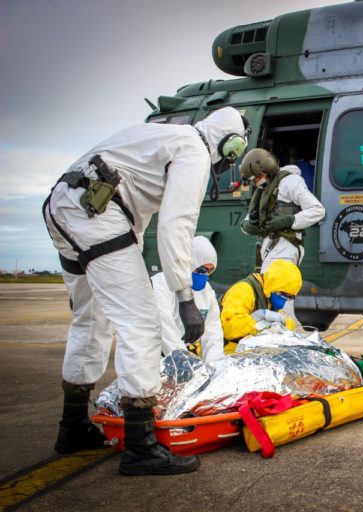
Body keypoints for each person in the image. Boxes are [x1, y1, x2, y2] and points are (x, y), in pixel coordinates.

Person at [42, 106, 249, 476]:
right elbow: (176, 227)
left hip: (65, 206)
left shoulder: (161, 136)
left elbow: (136, 212)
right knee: (140, 325)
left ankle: (71, 428)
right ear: (229, 144)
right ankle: (141, 446)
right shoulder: (195, 151)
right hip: (97, 215)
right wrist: (184, 295)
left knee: (91, 321)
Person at [239, 148, 325, 273]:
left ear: (266, 169)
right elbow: (249, 219)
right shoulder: (265, 189)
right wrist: (248, 225)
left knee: (277, 288)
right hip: (270, 246)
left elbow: (318, 210)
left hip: (287, 246)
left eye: (257, 177)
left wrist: (289, 220)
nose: (256, 182)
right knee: (270, 287)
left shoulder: (290, 182)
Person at [152, 236, 225, 364]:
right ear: (190, 264)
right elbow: (165, 329)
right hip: (155, 355)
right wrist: (185, 363)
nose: (204, 275)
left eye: (209, 271)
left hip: (181, 352)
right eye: (201, 269)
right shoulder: (161, 285)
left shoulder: (206, 292)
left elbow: (213, 333)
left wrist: (214, 366)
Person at [220, 259, 303, 344]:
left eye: (289, 297)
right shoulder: (242, 291)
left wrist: (284, 322)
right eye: (283, 294)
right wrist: (256, 320)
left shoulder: (268, 295)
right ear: (273, 284)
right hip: (229, 350)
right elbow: (227, 328)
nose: (284, 300)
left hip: (251, 348)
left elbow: (287, 322)